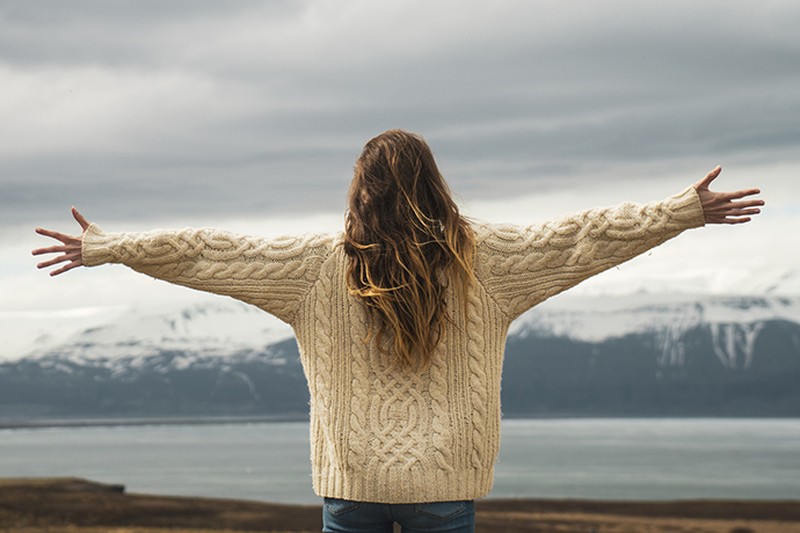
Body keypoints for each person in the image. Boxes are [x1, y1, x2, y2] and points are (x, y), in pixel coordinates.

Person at [33, 129, 763, 533]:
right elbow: (582, 238)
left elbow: (209, 251)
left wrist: (113, 245)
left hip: (351, 491)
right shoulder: (489, 262)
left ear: (360, 193)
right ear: (435, 186)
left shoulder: (314, 268)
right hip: (447, 490)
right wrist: (681, 211)